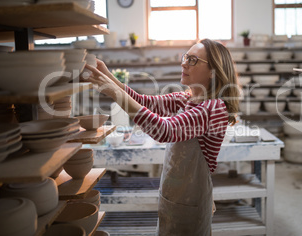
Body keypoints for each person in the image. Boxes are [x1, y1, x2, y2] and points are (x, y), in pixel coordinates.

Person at [83, 39, 240, 235]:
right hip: (174, 196)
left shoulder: (214, 108)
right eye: (185, 57)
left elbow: (164, 130)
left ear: (213, 71)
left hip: (192, 200)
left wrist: (114, 92)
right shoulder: (187, 98)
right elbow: (145, 102)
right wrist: (108, 76)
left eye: (192, 60)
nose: (184, 63)